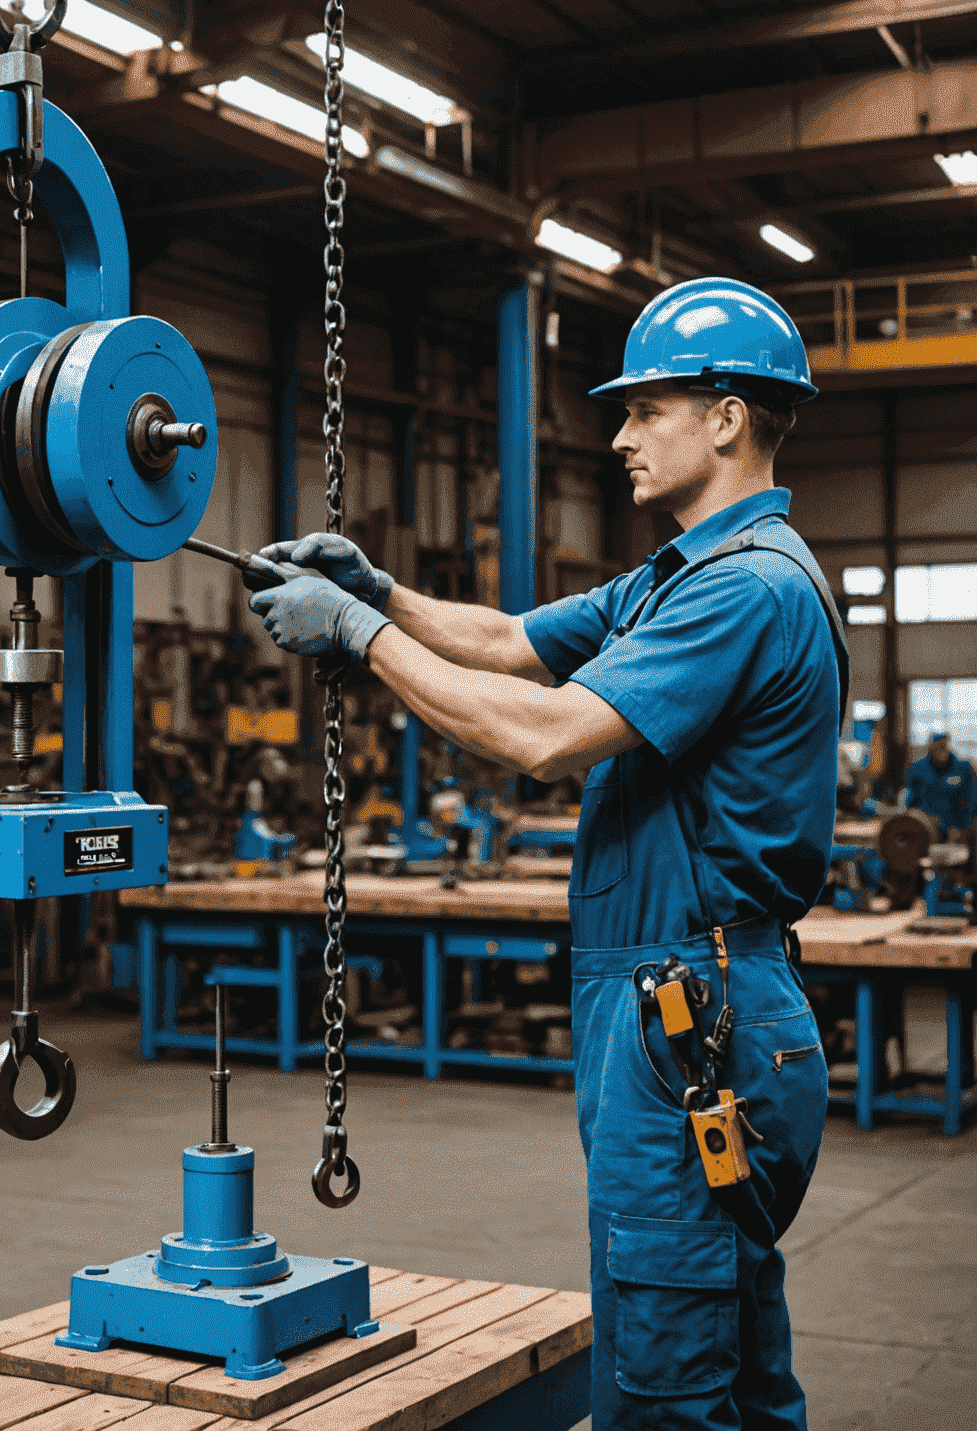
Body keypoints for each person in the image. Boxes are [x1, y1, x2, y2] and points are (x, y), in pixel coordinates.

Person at [250, 278, 846, 1431]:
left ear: (725, 418)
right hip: (686, 998)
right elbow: (513, 643)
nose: (619, 437)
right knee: (728, 1343)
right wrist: (382, 591)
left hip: (691, 1012)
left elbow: (543, 733)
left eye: (646, 410)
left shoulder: (744, 592)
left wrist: (359, 637)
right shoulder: (682, 579)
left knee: (668, 1374)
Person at [904, 732, 977, 838]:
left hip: (958, 829)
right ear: (930, 747)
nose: (940, 749)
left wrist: (963, 827)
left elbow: (971, 800)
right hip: (927, 828)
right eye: (937, 746)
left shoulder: (963, 769)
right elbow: (910, 800)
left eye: (943, 745)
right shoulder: (918, 769)